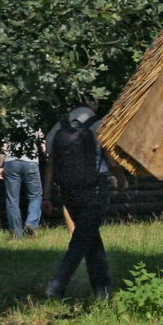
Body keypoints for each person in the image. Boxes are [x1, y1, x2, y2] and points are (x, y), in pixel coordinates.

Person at [43, 105, 113, 299]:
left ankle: (103, 292)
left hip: (68, 191)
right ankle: (55, 287)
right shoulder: (100, 125)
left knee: (90, 240)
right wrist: (122, 179)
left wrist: (46, 196)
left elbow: (51, 165)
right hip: (95, 188)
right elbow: (111, 158)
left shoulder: (58, 128)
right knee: (81, 240)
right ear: (94, 104)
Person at [0, 117, 44, 237]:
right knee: (36, 195)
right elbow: (42, 142)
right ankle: (31, 223)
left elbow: (3, 147)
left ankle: (16, 233)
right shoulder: (34, 121)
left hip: (11, 162)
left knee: (12, 199)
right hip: (31, 162)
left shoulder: (8, 122)